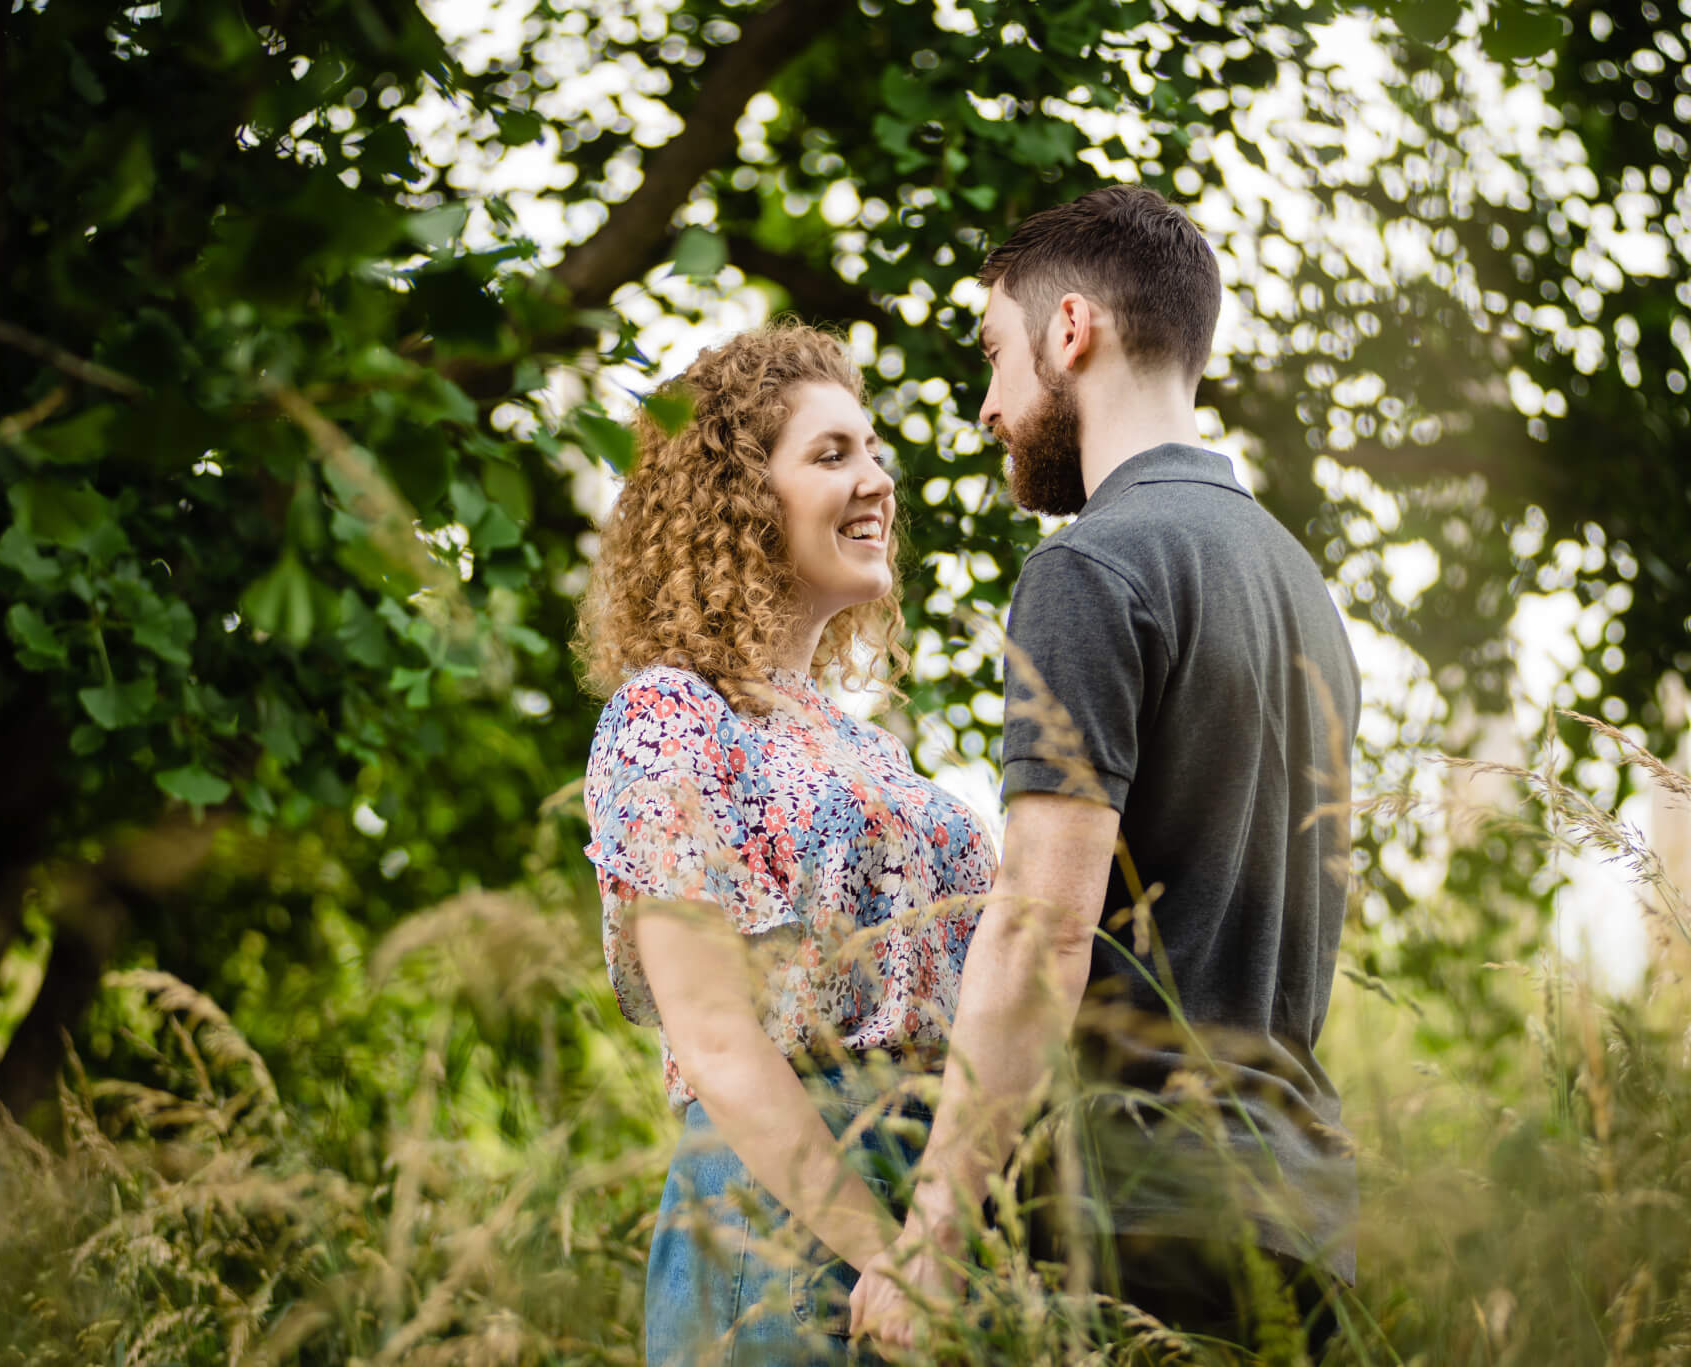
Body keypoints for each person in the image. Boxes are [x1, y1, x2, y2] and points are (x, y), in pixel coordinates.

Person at [850, 186, 1362, 1360]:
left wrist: (932, 1230)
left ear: (1068, 330)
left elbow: (1039, 928)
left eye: (993, 354)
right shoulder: (1296, 585)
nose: (987, 405)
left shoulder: (1091, 568)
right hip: (1301, 1222)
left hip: (1135, 1220)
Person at [577, 323, 996, 1365]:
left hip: (929, 1202)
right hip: (781, 1216)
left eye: (872, 449)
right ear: (737, 498)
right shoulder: (668, 715)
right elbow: (718, 1039)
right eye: (831, 454)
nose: (876, 479)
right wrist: (881, 1253)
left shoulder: (860, 743)